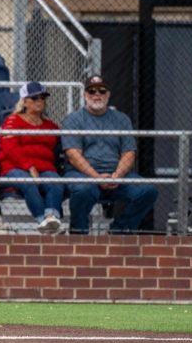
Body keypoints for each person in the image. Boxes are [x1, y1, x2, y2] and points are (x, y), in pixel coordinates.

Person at [61, 75, 159, 234]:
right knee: (83, 190)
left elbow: (129, 153)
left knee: (148, 191)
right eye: (91, 91)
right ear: (85, 95)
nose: (96, 94)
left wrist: (117, 176)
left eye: (101, 90)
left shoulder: (122, 119)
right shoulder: (73, 119)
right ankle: (79, 234)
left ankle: (119, 231)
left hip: (117, 176)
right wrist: (96, 177)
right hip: (83, 175)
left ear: (108, 94)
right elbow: (73, 155)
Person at [0, 81, 64, 233]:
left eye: (42, 98)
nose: (40, 101)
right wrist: (29, 167)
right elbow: (10, 149)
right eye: (35, 98)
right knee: (28, 183)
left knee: (56, 183)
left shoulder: (50, 125)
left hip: (45, 167)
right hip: (14, 167)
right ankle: (42, 220)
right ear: (25, 101)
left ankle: (51, 218)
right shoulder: (12, 121)